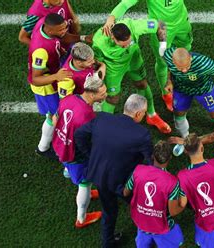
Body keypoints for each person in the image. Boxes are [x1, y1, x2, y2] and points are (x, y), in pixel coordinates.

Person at [74, 94, 153, 247]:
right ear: (138, 114)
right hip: (123, 182)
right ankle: (148, 235)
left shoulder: (102, 118)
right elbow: (151, 162)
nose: (143, 116)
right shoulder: (142, 134)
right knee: (141, 206)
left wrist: (91, 155)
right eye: (144, 113)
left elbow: (79, 134)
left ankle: (107, 242)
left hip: (100, 176)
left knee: (109, 211)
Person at [102, 0, 193, 111]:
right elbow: (126, 3)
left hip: (183, 24)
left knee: (186, 50)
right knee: (163, 61)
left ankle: (183, 78)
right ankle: (166, 92)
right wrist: (112, 17)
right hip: (161, 29)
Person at [92, 18, 171, 133]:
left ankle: (151, 115)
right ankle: (104, 128)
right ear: (113, 37)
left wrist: (163, 47)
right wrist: (100, 71)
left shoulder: (134, 26)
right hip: (114, 69)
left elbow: (160, 24)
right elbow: (96, 62)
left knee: (142, 84)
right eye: (123, 46)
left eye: (129, 43)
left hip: (134, 60)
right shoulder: (99, 42)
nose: (126, 46)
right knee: (113, 98)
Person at [52, 76, 107, 228]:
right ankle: (81, 219)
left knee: (69, 166)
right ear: (92, 94)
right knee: (85, 183)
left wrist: (63, 137)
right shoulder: (87, 115)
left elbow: (55, 119)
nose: (105, 95)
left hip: (59, 145)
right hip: (74, 156)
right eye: (102, 93)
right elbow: (87, 143)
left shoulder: (69, 99)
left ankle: (68, 172)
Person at [162, 47, 214, 155]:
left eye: (187, 67)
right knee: (178, 116)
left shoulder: (204, 63)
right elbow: (170, 69)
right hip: (182, 90)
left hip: (204, 90)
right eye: (180, 68)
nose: (184, 71)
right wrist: (169, 81)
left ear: (191, 59)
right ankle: (185, 139)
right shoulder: (168, 56)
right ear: (173, 61)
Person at [177, 134, 214, 248]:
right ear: (202, 148)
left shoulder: (182, 176)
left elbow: (182, 203)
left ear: (185, 151)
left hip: (205, 220)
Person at [28, 13, 73, 159]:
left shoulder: (45, 28)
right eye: (61, 30)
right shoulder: (40, 51)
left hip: (51, 80)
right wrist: (56, 77)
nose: (64, 31)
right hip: (46, 89)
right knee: (55, 116)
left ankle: (45, 146)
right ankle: (43, 148)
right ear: (50, 30)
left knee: (53, 115)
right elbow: (35, 78)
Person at [124, 141, 185, 247]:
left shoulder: (138, 170)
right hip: (161, 227)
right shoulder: (172, 182)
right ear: (170, 158)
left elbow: (125, 192)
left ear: (152, 156)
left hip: (141, 222)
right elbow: (173, 211)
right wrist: (183, 204)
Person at [19, 0, 90, 46]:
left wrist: (74, 20)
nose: (62, 1)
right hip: (55, 45)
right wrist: (41, 47)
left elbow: (67, 7)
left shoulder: (59, 1)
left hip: (65, 36)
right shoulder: (36, 13)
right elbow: (22, 37)